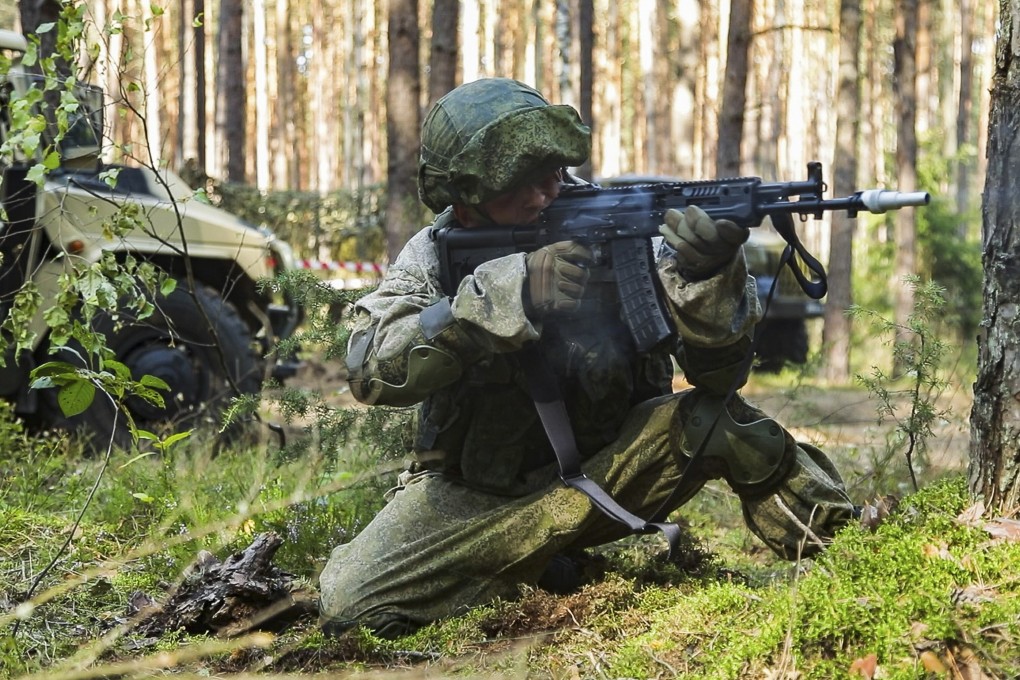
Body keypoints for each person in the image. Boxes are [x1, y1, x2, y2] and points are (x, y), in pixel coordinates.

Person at [318, 77, 855, 639]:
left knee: (723, 422)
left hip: (617, 471)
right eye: (517, 183)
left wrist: (709, 275)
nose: (543, 193)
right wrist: (509, 291)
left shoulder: (621, 223)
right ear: (464, 194)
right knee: (350, 605)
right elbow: (371, 369)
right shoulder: (433, 254)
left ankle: (852, 555)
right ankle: (541, 566)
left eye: (550, 172)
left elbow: (721, 376)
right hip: (476, 499)